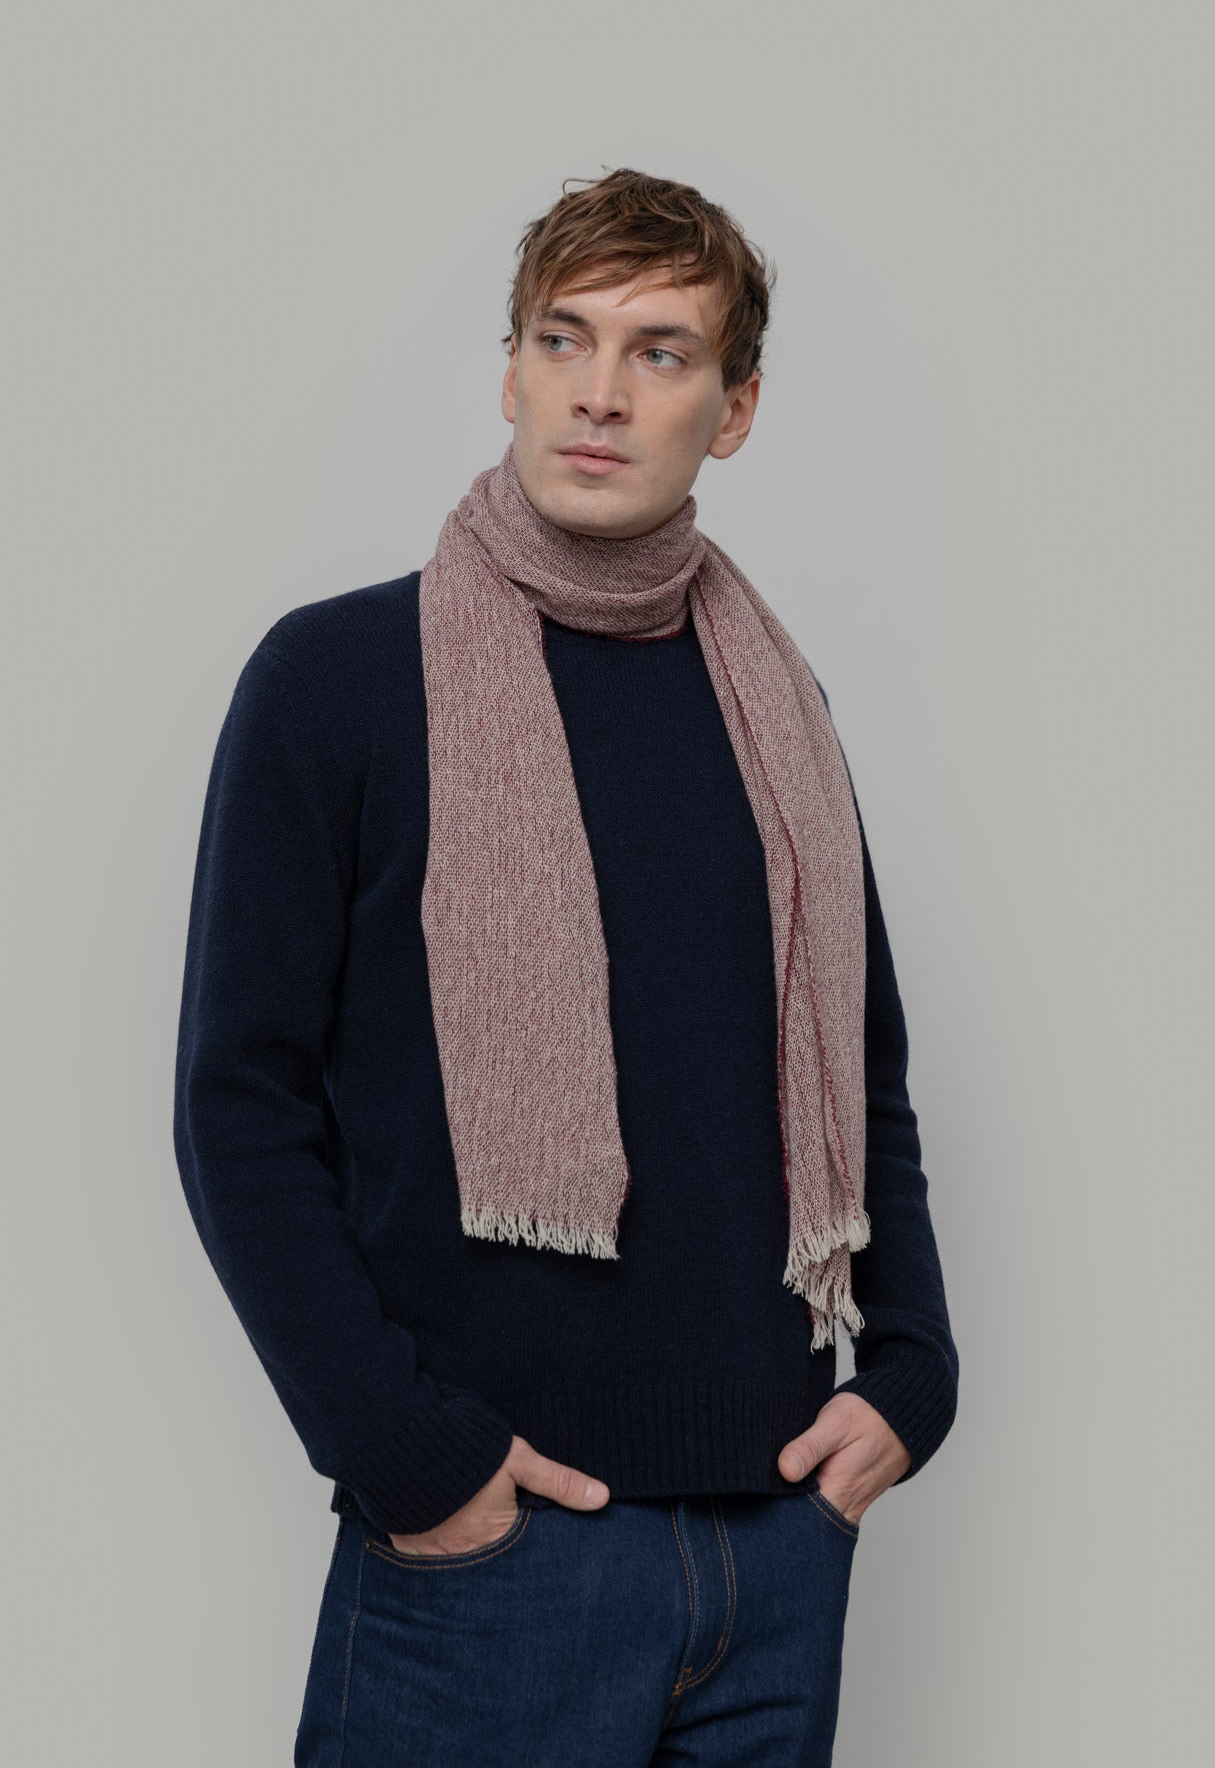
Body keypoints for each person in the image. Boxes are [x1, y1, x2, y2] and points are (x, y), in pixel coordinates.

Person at [174, 166, 958, 1767]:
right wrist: (412, 1457)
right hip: (494, 1557)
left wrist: (914, 1373)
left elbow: (859, 1075)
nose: (601, 391)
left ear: (735, 411)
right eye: (564, 337)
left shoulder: (780, 711)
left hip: (775, 1546)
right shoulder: (340, 680)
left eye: (662, 352)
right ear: (512, 373)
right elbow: (239, 1105)